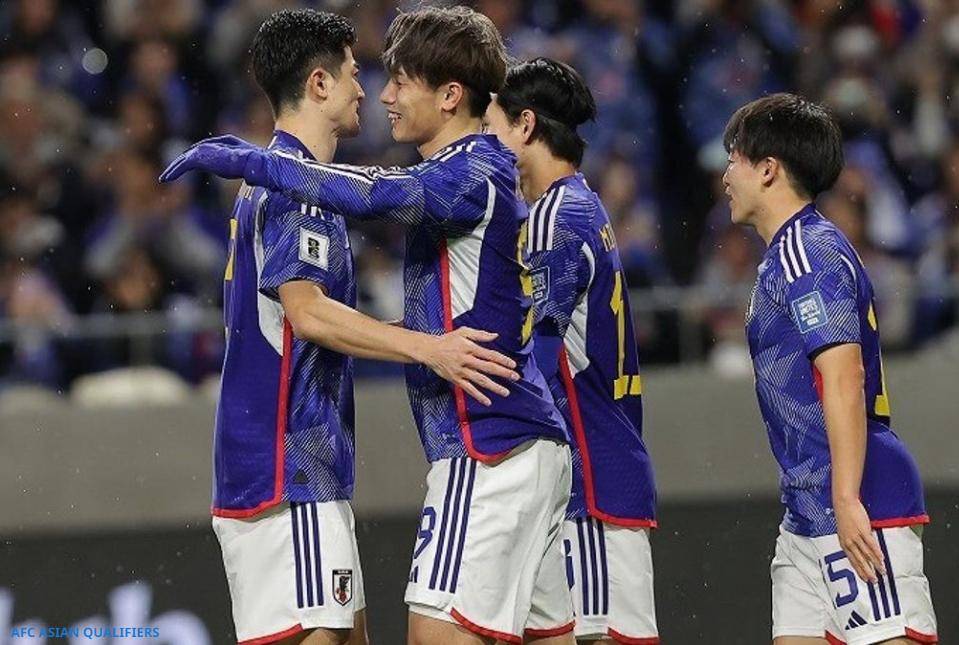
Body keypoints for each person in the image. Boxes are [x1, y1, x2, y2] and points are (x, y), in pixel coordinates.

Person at [161, 7, 575, 644]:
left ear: (450, 95)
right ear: (319, 84)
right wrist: (424, 345)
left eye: (396, 80)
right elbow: (309, 314)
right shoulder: (309, 189)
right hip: (291, 468)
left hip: (477, 445)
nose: (375, 92)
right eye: (360, 74)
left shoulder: (452, 172)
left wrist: (253, 162)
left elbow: (377, 195)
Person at [721, 93, 938, 645]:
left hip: (857, 497)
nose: (726, 175)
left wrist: (845, 499)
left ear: (768, 169)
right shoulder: (789, 253)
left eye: (735, 159)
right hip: (806, 508)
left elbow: (844, 377)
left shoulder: (807, 252)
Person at [484, 58, 659, 644]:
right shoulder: (582, 204)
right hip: (608, 462)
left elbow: (536, 355)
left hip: (588, 479)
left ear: (525, 125)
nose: (485, 143)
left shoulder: (553, 219)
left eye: (491, 128)